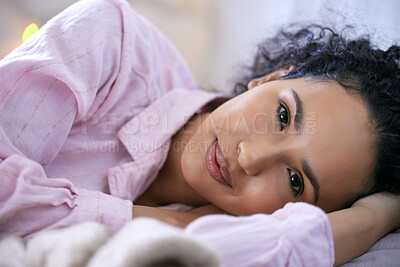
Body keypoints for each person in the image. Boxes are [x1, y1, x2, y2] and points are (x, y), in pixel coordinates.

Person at [0, 0, 398, 266]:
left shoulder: (228, 242)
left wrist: (371, 221)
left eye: (295, 180)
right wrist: (170, 227)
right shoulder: (113, 43)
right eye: (282, 114)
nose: (248, 158)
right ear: (271, 77)